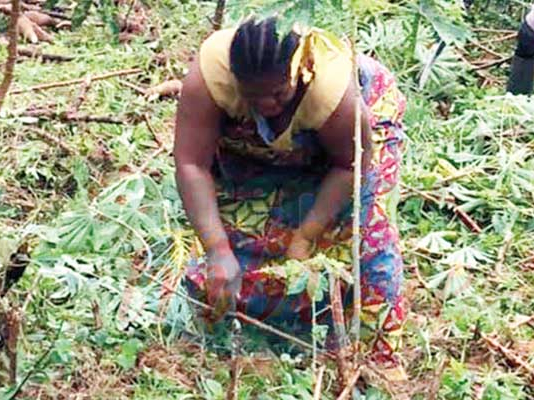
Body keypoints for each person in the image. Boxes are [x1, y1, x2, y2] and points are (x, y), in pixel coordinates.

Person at [173, 17, 407, 368]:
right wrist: (218, 249)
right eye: (254, 96)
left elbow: (350, 166)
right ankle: (242, 333)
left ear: (299, 71)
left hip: (353, 139)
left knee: (364, 239)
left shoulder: (332, 91)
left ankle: (371, 357)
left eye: (278, 93)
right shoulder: (211, 75)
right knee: (239, 241)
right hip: (258, 141)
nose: (267, 104)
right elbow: (191, 163)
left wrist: (307, 235)